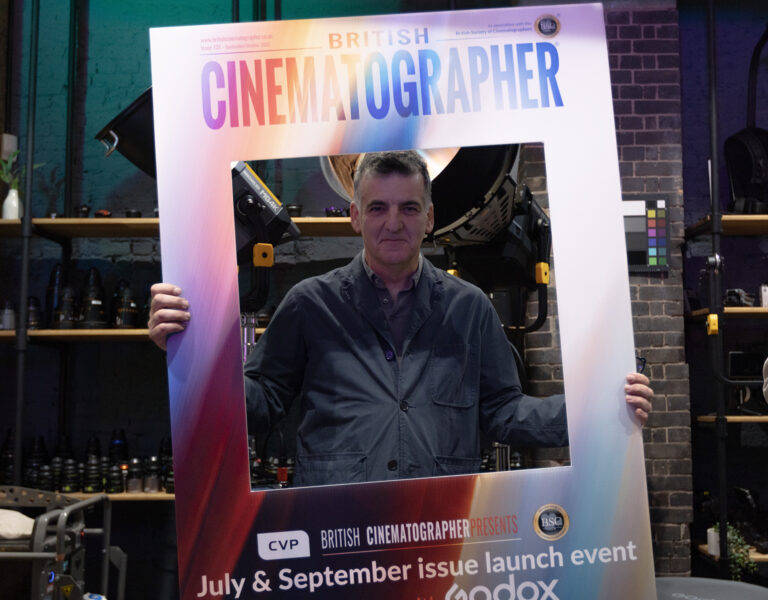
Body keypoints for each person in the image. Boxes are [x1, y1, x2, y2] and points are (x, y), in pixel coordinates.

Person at [149, 151, 653, 486]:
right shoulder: (310, 304)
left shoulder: (469, 307)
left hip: (439, 529)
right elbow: (259, 405)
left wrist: (596, 411)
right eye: (378, 208)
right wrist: (191, 355)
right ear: (354, 216)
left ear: (430, 218)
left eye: (410, 208)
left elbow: (504, 412)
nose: (394, 223)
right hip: (335, 533)